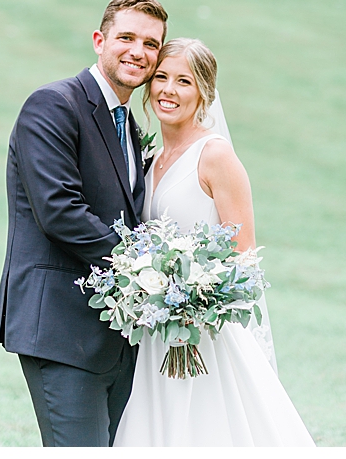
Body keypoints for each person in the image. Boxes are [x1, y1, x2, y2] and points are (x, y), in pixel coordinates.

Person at [112, 39, 314, 445]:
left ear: (203, 91)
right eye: (162, 78)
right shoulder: (149, 158)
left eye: (183, 81)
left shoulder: (215, 155)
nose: (169, 90)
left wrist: (195, 300)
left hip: (206, 334)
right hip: (159, 331)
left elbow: (245, 255)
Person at [0, 0, 167, 446]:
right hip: (60, 325)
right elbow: (60, 212)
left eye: (151, 44)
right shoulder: (53, 105)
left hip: (114, 332)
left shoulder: (126, 123)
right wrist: (150, 268)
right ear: (98, 40)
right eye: (126, 38)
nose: (138, 52)